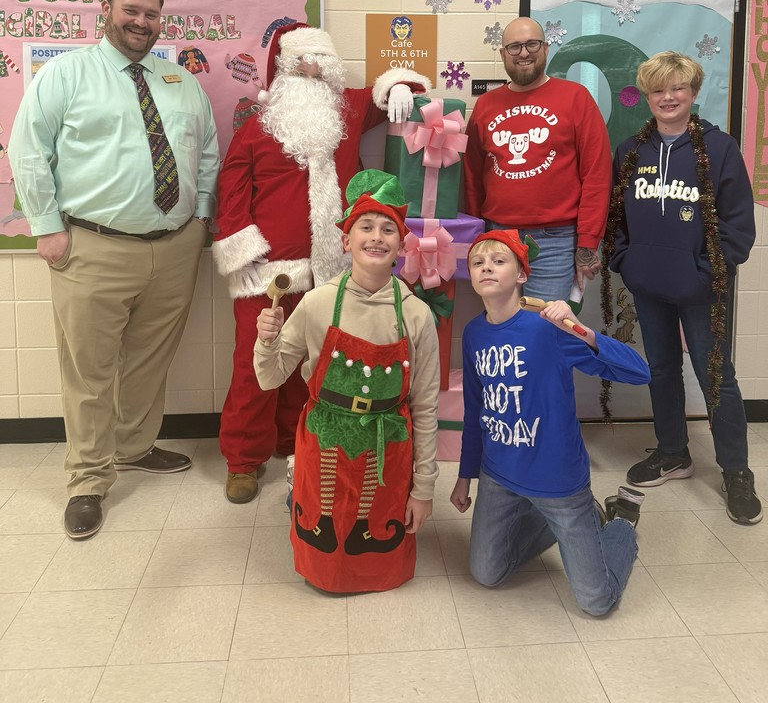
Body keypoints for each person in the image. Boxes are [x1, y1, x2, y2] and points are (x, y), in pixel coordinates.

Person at [8, 0, 219, 540]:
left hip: (174, 249)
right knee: (90, 369)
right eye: (131, 10)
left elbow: (207, 154)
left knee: (150, 358)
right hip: (92, 246)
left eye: (151, 15)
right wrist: (46, 227)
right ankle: (87, 480)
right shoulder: (67, 73)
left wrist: (199, 222)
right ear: (106, 10)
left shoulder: (180, 81)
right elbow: (28, 149)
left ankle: (132, 446)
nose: (141, 23)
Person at [213, 22, 430, 504]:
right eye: (300, 61)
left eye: (321, 60)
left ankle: (295, 442)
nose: (311, 69)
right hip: (266, 275)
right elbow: (230, 192)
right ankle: (243, 459)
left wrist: (397, 86)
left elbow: (405, 86)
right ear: (282, 70)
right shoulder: (256, 127)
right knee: (255, 365)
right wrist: (241, 254)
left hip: (330, 272)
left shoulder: (347, 111)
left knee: (314, 362)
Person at [254, 170, 440, 593]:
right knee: (325, 553)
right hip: (324, 445)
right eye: (366, 227)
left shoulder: (416, 315)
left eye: (388, 228)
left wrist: (423, 488)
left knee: (372, 542)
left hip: (387, 451)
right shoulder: (317, 303)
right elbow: (269, 378)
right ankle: (296, 488)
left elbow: (426, 406)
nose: (376, 237)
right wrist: (266, 342)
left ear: (401, 242)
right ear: (345, 240)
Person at [451, 229, 650, 616]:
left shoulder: (547, 328)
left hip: (558, 482)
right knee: (486, 573)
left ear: (522, 274)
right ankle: (562, 523)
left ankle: (621, 522)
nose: (486, 267)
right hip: (499, 477)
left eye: (498, 260)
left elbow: (640, 372)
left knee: (597, 603)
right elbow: (476, 411)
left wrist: (584, 331)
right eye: (478, 262)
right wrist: (464, 475)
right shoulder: (474, 333)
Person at [603, 51, 761, 524]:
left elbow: (738, 226)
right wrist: (627, 262)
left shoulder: (721, 149)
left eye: (677, 88)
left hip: (700, 289)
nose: (667, 97)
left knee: (718, 378)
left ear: (693, 93)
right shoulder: (631, 149)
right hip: (649, 285)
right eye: (658, 90)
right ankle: (673, 452)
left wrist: (707, 270)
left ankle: (736, 471)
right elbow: (618, 219)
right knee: (662, 370)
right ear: (647, 96)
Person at [463, 16, 611, 301]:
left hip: (555, 242)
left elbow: (597, 174)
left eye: (531, 44)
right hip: (497, 238)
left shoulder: (575, 98)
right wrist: (476, 236)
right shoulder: (485, 105)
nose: (524, 53)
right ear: (503, 54)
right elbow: (471, 177)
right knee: (503, 327)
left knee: (545, 329)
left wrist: (587, 244)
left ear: (545, 49)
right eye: (515, 47)